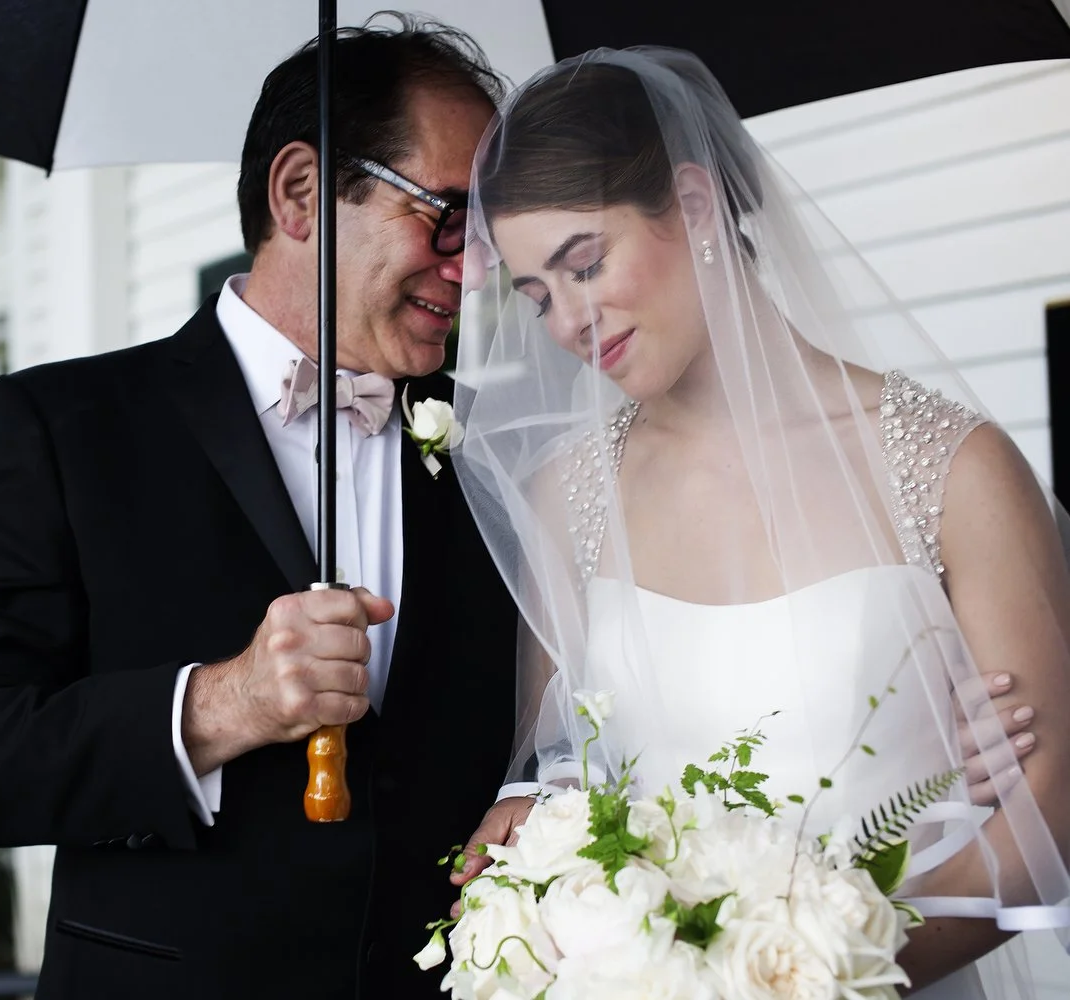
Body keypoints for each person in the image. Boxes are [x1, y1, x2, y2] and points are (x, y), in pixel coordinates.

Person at [0, 16, 523, 999]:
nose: (474, 266)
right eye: (447, 218)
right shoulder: (61, 426)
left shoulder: (503, 451)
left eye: (487, 231)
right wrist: (220, 703)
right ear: (303, 193)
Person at [448, 47, 1070, 998]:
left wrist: (813, 980)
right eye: (536, 297)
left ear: (694, 206)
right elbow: (560, 770)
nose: (569, 320)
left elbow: (1049, 819)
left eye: (585, 264)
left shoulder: (952, 468)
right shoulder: (566, 495)